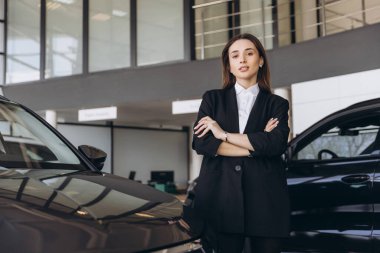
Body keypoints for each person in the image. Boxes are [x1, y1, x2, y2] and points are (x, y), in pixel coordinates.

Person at [192, 33, 290, 253]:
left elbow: (275, 145)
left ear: (261, 60)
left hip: (266, 200)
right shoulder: (212, 99)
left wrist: (223, 134)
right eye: (235, 56)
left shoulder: (277, 104)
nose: (242, 60)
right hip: (221, 198)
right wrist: (256, 144)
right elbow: (201, 144)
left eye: (249, 53)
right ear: (229, 65)